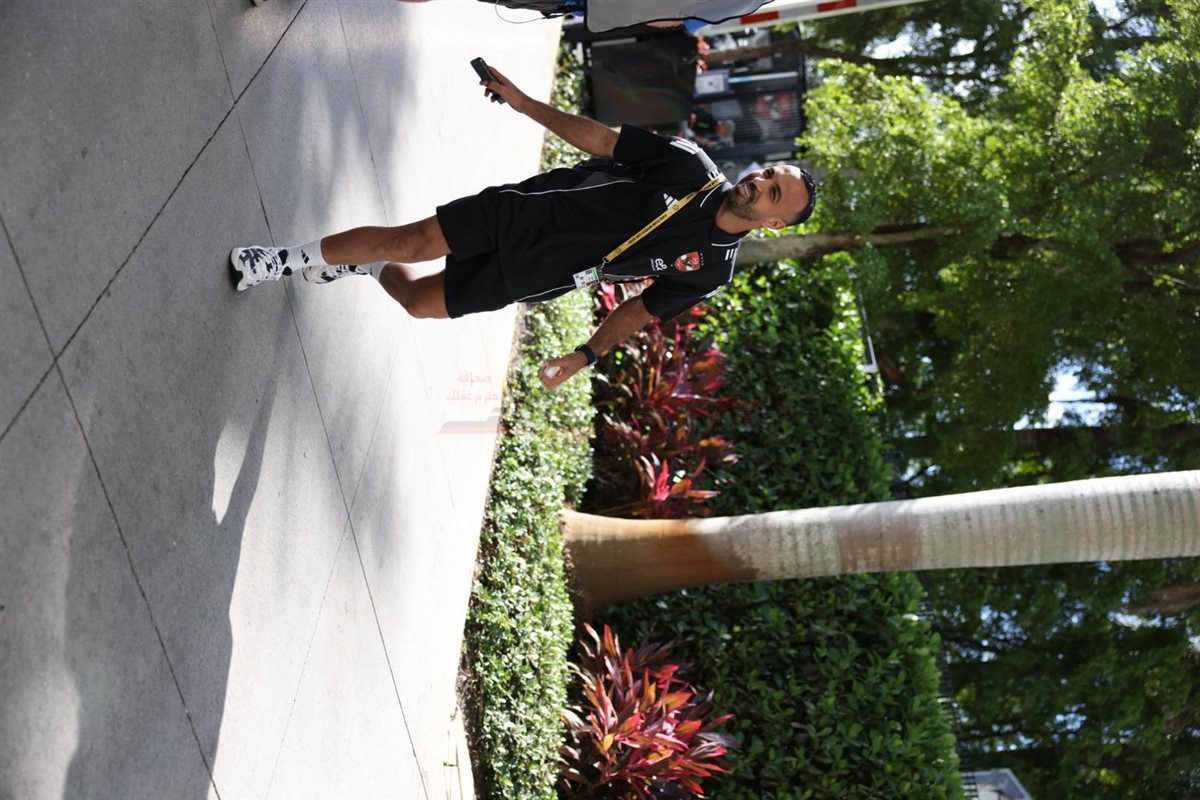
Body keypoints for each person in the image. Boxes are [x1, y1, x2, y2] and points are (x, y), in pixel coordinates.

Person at [230, 65, 816, 390]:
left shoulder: (711, 271)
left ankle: (362, 264)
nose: (758, 182)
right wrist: (525, 102)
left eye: (772, 193)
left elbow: (642, 309)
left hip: (544, 273)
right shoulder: (690, 166)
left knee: (418, 302)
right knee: (410, 241)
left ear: (772, 222)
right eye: (767, 173)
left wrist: (585, 355)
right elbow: (603, 140)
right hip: (529, 212)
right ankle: (280, 259)